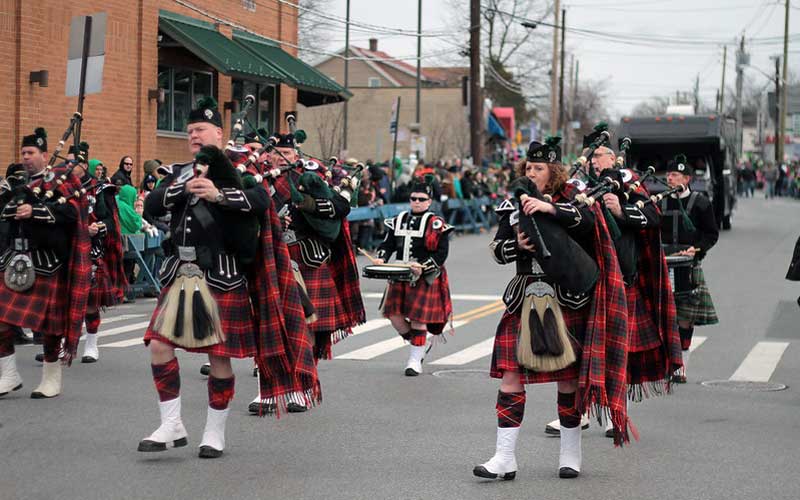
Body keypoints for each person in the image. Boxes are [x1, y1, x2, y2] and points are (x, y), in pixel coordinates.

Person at [138, 97, 319, 458]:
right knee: (158, 345)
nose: (193, 136)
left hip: (221, 276)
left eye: (200, 130)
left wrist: (220, 195)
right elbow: (155, 202)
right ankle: (171, 423)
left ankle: (214, 431)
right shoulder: (180, 173)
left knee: (219, 358)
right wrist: (181, 189)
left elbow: (260, 201)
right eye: (189, 131)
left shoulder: (242, 167)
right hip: (180, 274)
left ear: (218, 133)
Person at [474, 136, 629, 481]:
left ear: (554, 172)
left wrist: (548, 208)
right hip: (525, 294)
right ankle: (504, 457)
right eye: (528, 167)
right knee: (511, 375)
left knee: (568, 380)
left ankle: (570, 454)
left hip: (566, 297)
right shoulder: (512, 204)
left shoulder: (573, 199)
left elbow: (589, 225)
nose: (531, 172)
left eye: (538, 168)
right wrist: (516, 244)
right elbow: (498, 251)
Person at [0, 127, 91, 398]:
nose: (26, 158)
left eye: (31, 153)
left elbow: (74, 212)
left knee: (49, 326)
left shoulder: (61, 182)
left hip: (48, 261)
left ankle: (51, 378)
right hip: (16, 259)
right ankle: (9, 374)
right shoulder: (20, 184)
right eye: (24, 153)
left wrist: (37, 210)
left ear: (44, 155)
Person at [374, 175, 454, 376]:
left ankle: (414, 360)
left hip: (424, 277)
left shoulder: (436, 223)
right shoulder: (398, 219)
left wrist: (423, 267)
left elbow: (441, 253)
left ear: (429, 201)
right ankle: (419, 343)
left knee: (419, 319)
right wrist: (382, 257)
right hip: (398, 275)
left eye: (421, 199)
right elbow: (387, 244)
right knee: (394, 317)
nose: (416, 202)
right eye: (413, 198)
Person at [659, 154, 719, 383]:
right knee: (664, 316)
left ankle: (681, 366)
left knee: (685, 319)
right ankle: (666, 362)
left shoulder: (701, 202)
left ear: (687, 178)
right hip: (663, 264)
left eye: (675, 175)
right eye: (669, 175)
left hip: (688, 265)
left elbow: (711, 234)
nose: (670, 179)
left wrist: (697, 249)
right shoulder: (659, 201)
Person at [77, 154, 127, 363]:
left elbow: (110, 220)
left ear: (84, 165)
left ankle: (91, 344)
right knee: (62, 302)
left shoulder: (99, 189)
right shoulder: (58, 189)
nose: (72, 166)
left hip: (91, 250)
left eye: (77, 162)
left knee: (89, 303)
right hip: (65, 251)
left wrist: (98, 227)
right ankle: (60, 343)